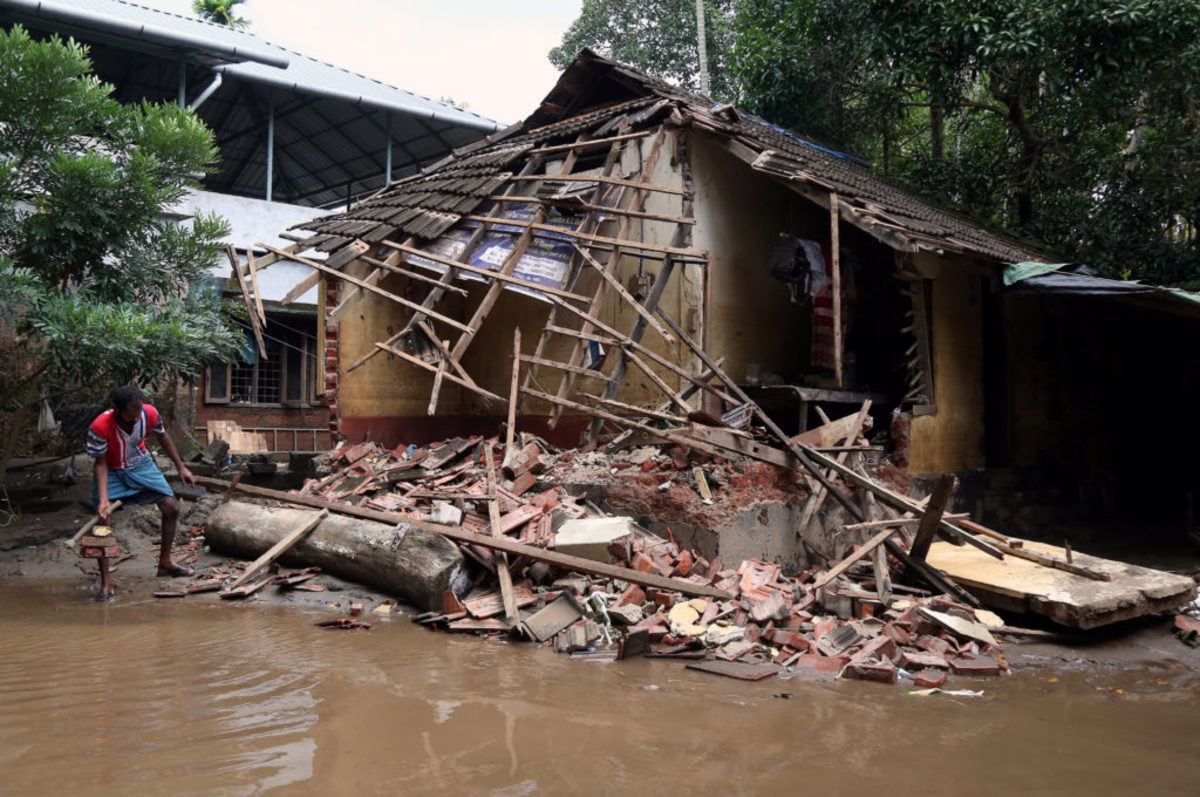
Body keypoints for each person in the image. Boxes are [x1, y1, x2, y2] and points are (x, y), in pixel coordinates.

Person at [87, 385, 196, 599]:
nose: (135, 421)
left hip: (141, 464)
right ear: (116, 410)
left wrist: (180, 466)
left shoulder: (150, 414)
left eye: (138, 417)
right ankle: (106, 581)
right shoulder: (100, 427)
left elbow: (163, 437)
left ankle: (165, 563)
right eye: (130, 417)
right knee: (102, 523)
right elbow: (99, 464)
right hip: (112, 470)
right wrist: (103, 501)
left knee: (171, 506)